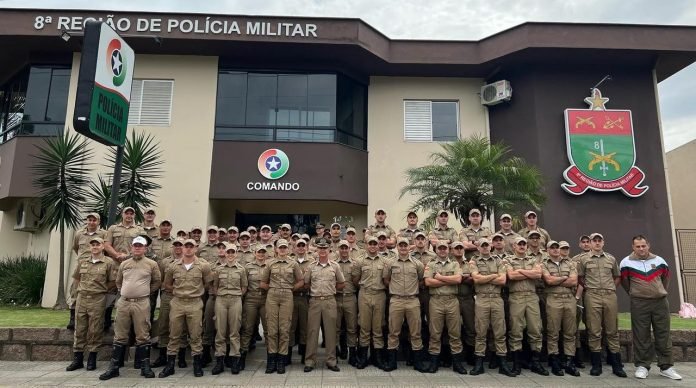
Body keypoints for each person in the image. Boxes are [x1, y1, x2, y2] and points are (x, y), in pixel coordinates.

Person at [99, 236, 161, 381]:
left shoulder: (152, 264)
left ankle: (145, 367)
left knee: (142, 334)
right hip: (124, 302)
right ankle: (114, 367)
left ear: (145, 248)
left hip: (142, 303)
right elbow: (118, 282)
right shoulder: (124, 264)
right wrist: (127, 292)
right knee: (120, 334)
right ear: (131, 247)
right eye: (135, 245)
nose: (137, 248)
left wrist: (143, 292)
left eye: (140, 246)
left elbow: (157, 282)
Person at [620, 235, 681, 380]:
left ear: (648, 245)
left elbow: (666, 279)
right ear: (633, 247)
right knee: (641, 335)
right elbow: (625, 282)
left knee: (663, 334)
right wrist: (636, 293)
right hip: (639, 303)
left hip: (660, 302)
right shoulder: (625, 262)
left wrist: (659, 292)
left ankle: (666, 367)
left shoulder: (659, 261)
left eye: (643, 245)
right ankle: (642, 366)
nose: (641, 249)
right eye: (638, 246)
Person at [159, 239, 214, 378]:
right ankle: (170, 365)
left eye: (191, 247)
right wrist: (180, 291)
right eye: (186, 246)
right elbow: (167, 284)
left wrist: (195, 292)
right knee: (174, 334)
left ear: (196, 248)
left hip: (195, 303)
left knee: (195, 334)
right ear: (182, 249)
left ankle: (197, 364)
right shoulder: (173, 266)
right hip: (177, 302)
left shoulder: (203, 265)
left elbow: (207, 284)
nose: (188, 249)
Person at [577, 233, 627, 378]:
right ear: (590, 243)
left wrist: (611, 287)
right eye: (594, 241)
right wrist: (588, 288)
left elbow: (617, 276)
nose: (597, 243)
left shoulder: (611, 258)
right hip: (592, 295)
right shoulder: (583, 259)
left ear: (603, 243)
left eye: (599, 241)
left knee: (612, 330)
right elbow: (580, 277)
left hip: (609, 295)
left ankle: (617, 366)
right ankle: (596, 365)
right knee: (594, 330)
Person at [66, 237, 117, 372]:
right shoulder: (83, 261)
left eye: (98, 244)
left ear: (102, 247)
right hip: (82, 297)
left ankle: (92, 358)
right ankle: (77, 358)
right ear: (90, 247)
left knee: (95, 328)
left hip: (98, 298)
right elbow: (77, 279)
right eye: (92, 244)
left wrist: (101, 289)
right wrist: (75, 295)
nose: (95, 246)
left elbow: (113, 282)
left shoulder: (108, 262)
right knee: (80, 327)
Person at [468, 238, 515, 377]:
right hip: (481, 298)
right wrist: (494, 275)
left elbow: (503, 280)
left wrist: (485, 277)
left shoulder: (499, 261)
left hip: (496, 298)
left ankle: (503, 363)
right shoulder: (474, 261)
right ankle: (479, 364)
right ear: (478, 248)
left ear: (491, 246)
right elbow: (476, 279)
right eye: (482, 245)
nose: (485, 248)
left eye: (487, 245)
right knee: (480, 332)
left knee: (500, 332)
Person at [260, 239, 304, 374]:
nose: (283, 250)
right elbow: (262, 283)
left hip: (287, 296)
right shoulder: (269, 263)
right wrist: (274, 289)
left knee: (284, 329)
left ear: (288, 249)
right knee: (272, 329)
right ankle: (271, 359)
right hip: (272, 296)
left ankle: (281, 360)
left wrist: (290, 289)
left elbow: (301, 281)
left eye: (285, 247)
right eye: (280, 247)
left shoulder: (293, 263)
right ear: (276, 249)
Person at [506, 236, 548, 376]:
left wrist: (520, 271)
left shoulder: (533, 260)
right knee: (516, 329)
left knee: (535, 329)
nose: (522, 246)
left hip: (531, 296)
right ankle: (517, 364)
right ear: (514, 247)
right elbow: (511, 276)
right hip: (516, 296)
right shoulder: (508, 260)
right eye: (519, 244)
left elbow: (538, 274)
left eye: (524, 244)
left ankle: (536, 362)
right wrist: (527, 273)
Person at [383, 238, 426, 372]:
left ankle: (417, 362)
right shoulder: (390, 263)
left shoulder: (417, 264)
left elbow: (421, 280)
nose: (402, 248)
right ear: (397, 247)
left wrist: (411, 290)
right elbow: (386, 279)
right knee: (393, 331)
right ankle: (392, 362)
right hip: (396, 300)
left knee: (416, 332)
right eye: (400, 245)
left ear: (409, 247)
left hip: (413, 300)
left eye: (405, 245)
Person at [303, 238, 345, 372]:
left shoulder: (335, 266)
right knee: (312, 332)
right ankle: (310, 361)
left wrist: (331, 290)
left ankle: (331, 361)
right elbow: (306, 284)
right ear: (316, 250)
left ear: (329, 250)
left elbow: (341, 283)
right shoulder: (311, 266)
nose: (322, 251)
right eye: (320, 248)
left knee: (331, 331)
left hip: (329, 300)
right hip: (315, 301)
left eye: (325, 248)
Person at [424, 241, 466, 374]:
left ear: (448, 250)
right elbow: (428, 282)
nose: (442, 251)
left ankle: (457, 363)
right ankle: (434, 362)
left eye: (445, 248)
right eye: (440, 248)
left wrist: (440, 277)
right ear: (436, 250)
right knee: (435, 333)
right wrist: (449, 279)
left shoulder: (455, 264)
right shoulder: (431, 264)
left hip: (452, 300)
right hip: (436, 301)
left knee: (455, 333)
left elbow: (458, 280)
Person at [542, 240, 580, 377]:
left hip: (569, 299)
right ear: (547, 250)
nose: (555, 250)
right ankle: (555, 360)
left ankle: (569, 361)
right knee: (553, 332)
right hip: (553, 299)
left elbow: (574, 281)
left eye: (557, 247)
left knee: (570, 332)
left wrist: (557, 279)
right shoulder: (544, 264)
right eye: (552, 248)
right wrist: (565, 278)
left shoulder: (570, 263)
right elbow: (549, 281)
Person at [352, 236, 389, 369]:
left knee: (378, 327)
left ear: (378, 245)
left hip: (380, 295)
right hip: (365, 294)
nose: (373, 246)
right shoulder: (359, 261)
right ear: (366, 245)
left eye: (375, 243)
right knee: (364, 326)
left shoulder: (385, 261)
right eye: (370, 244)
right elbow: (355, 280)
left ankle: (377, 357)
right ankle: (363, 357)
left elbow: (386, 280)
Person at [211, 243, 248, 375]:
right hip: (221, 300)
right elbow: (215, 286)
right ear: (225, 254)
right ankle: (219, 361)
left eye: (233, 252)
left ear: (236, 254)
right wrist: (222, 294)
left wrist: (235, 295)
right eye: (228, 252)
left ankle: (234, 360)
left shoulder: (241, 269)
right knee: (220, 331)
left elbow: (244, 287)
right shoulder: (219, 269)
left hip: (235, 300)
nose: (231, 255)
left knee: (234, 331)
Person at [67, 213, 107, 330]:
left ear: (98, 222)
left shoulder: (104, 234)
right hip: (82, 265)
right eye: (89, 220)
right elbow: (75, 248)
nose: (91, 222)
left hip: (97, 265)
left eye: (94, 220)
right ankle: (73, 318)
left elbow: (106, 248)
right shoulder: (79, 234)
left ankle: (102, 318)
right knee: (75, 289)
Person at [151, 238, 186, 369]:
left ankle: (181, 357)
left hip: (183, 297)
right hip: (167, 295)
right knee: (163, 324)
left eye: (180, 245)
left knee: (182, 326)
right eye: (176, 245)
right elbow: (159, 279)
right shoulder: (165, 262)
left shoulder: (189, 261)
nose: (178, 247)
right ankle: (162, 355)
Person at [239, 245, 269, 370]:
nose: (261, 254)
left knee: (268, 330)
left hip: (266, 300)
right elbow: (244, 285)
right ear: (255, 253)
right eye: (259, 252)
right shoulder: (248, 267)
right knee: (247, 328)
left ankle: (270, 357)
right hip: (250, 299)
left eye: (263, 252)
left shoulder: (270, 266)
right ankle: (241, 357)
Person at [335, 240, 359, 366]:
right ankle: (334, 353)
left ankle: (352, 354)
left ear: (349, 249)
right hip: (336, 298)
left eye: (346, 248)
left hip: (350, 298)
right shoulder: (333, 264)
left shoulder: (355, 264)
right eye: (341, 248)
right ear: (338, 249)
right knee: (336, 328)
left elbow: (357, 281)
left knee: (352, 328)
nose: (344, 250)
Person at [289, 238, 313, 365]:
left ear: (307, 248)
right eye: (299, 246)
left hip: (305, 298)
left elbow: (313, 280)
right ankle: (287, 356)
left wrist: (304, 285)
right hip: (291, 297)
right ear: (294, 248)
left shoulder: (312, 262)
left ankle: (304, 355)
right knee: (290, 327)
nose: (301, 248)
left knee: (305, 327)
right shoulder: (289, 262)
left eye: (303, 246)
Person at [451, 240, 476, 365]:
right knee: (453, 328)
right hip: (453, 298)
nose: (459, 250)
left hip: (467, 298)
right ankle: (454, 357)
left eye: (461, 248)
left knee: (470, 327)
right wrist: (463, 277)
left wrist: (459, 278)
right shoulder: (449, 264)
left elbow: (474, 278)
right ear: (452, 250)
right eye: (456, 248)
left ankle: (470, 355)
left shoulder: (470, 264)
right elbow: (452, 280)